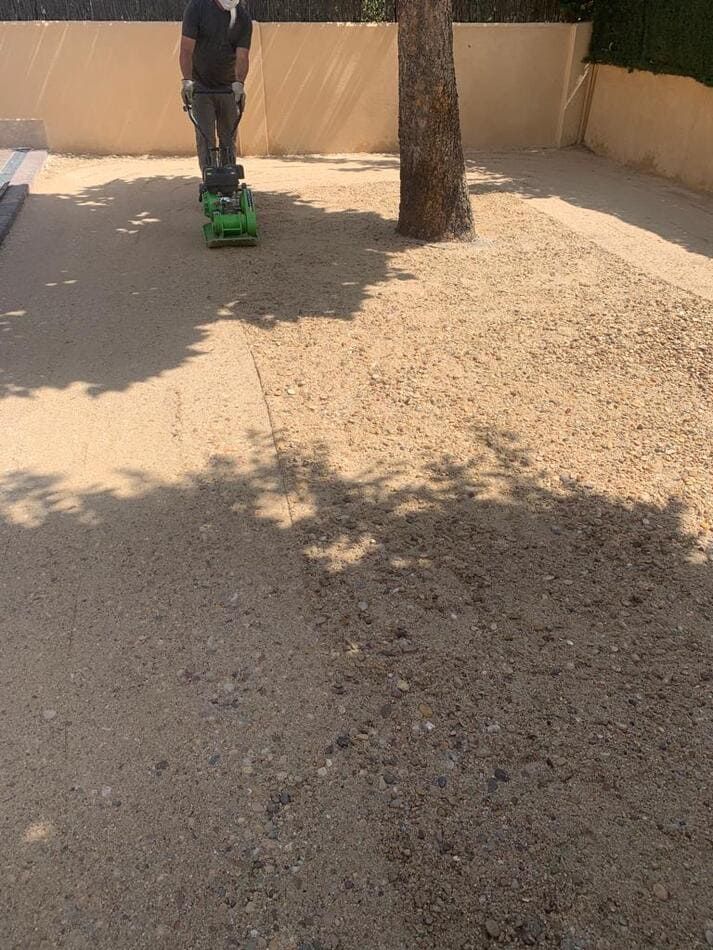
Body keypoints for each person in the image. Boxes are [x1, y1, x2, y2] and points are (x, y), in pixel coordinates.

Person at [179, 0, 252, 177]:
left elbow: (242, 57)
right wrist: (187, 82)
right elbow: (186, 49)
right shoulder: (197, 8)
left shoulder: (242, 18)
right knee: (206, 138)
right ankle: (209, 178)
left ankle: (229, 178)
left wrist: (239, 84)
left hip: (228, 87)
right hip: (201, 86)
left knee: (228, 138)